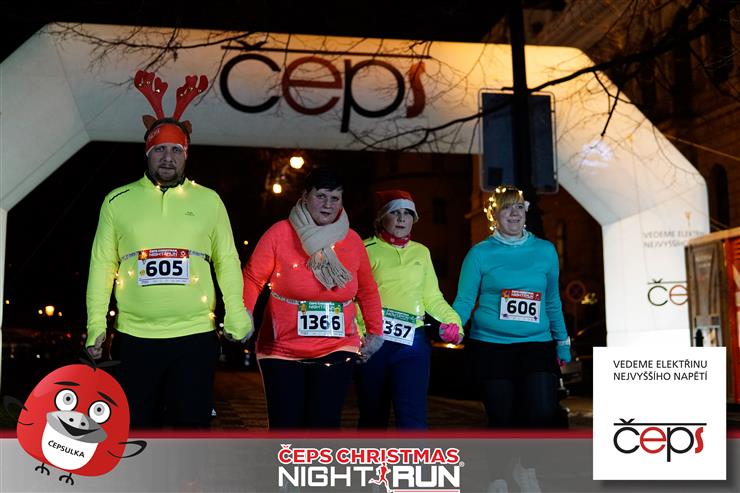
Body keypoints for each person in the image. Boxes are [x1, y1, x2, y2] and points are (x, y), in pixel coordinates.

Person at [85, 70, 253, 428]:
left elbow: (227, 260)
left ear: (186, 155)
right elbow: (101, 265)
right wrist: (95, 322)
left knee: (189, 430)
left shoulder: (209, 200)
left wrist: (237, 312)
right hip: (134, 337)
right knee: (134, 430)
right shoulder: (117, 200)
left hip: (195, 337)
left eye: (176, 150)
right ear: (147, 153)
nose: (167, 157)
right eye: (159, 149)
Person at [242, 166, 384, 429]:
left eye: (335, 198)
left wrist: (375, 332)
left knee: (324, 423)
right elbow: (252, 277)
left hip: (337, 347)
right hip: (282, 350)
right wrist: (245, 315)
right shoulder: (280, 233)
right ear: (305, 196)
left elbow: (367, 289)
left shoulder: (352, 240)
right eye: (321, 196)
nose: (328, 204)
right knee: (286, 425)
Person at [452, 185, 571, 428]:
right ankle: (507, 454)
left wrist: (562, 342)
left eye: (518, 207)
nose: (514, 213)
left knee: (542, 412)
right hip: (492, 347)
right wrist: (454, 326)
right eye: (506, 207)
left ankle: (530, 454)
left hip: (536, 345)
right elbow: (465, 300)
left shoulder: (545, 251)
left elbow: (552, 301)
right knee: (502, 420)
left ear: (525, 212)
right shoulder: (479, 254)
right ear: (494, 215)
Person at [355, 190, 462, 429]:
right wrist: (359, 335)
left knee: (412, 418)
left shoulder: (421, 252)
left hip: (412, 344)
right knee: (372, 418)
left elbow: (432, 296)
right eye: (395, 212)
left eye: (408, 213)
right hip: (374, 343)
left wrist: (453, 322)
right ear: (381, 217)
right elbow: (353, 298)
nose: (402, 218)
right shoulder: (364, 249)